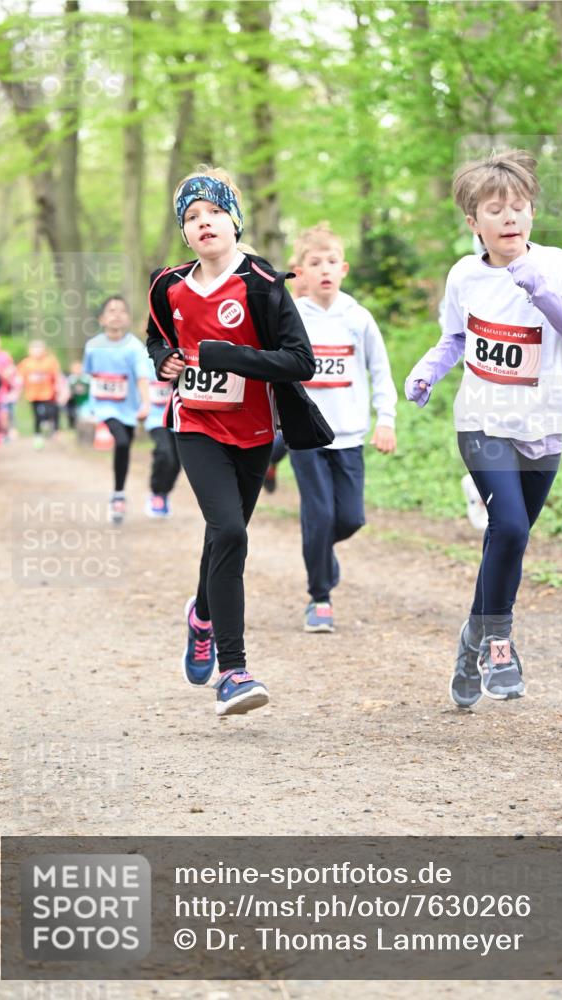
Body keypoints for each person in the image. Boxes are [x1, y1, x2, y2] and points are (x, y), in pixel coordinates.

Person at [405, 148, 562, 708]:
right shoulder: (464, 275)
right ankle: (498, 641)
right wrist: (428, 370)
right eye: (496, 209)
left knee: (506, 541)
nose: (510, 217)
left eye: (518, 206)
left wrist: (539, 287)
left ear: (532, 213)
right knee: (510, 528)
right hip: (480, 421)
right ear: (474, 222)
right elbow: (456, 339)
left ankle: (471, 639)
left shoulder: (558, 267)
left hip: (543, 427)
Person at [146, 165, 324, 717]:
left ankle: (201, 616)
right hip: (195, 424)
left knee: (226, 535)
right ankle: (233, 671)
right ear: (184, 232)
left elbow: (301, 362)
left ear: (235, 221)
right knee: (228, 532)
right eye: (192, 218)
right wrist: (164, 360)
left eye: (215, 213)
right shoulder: (168, 285)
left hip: (252, 432)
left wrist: (230, 356)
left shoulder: (263, 286)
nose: (204, 224)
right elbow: (157, 337)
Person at [289, 222, 398, 633]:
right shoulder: (292, 317)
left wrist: (385, 419)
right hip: (305, 433)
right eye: (314, 263)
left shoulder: (358, 318)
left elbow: (380, 371)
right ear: (300, 273)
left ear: (345, 268)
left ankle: (317, 549)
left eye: (331, 261)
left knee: (349, 517)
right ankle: (320, 597)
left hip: (348, 433)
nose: (324, 269)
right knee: (318, 513)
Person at [83, 296, 151, 523]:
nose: (116, 314)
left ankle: (118, 492)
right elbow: (89, 377)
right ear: (102, 319)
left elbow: (142, 378)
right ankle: (118, 497)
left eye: (122, 311)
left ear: (128, 319)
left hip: (128, 408)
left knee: (124, 447)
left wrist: (145, 403)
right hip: (103, 406)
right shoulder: (92, 346)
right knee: (121, 442)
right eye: (111, 311)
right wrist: (87, 407)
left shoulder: (135, 347)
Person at [262, 256, 308, 494]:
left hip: (317, 384)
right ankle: (268, 458)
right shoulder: (284, 304)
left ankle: (270, 458)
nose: (300, 280)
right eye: (294, 273)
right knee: (291, 429)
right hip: (288, 382)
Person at [144, 355, 180, 518]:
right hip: (156, 417)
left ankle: (164, 493)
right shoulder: (144, 355)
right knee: (165, 453)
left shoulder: (183, 348)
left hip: (178, 417)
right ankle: (156, 493)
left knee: (177, 461)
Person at [17, 340, 61, 448]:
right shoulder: (26, 363)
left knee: (49, 412)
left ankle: (49, 426)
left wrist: (59, 388)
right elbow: (20, 378)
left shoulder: (50, 361)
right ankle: (37, 435)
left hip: (48, 393)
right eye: (34, 350)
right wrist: (17, 391)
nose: (37, 352)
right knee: (37, 415)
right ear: (29, 351)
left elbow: (57, 376)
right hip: (32, 394)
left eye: (39, 349)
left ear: (44, 350)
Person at [65, 359, 91, 430]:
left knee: (85, 416)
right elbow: (68, 390)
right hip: (76, 402)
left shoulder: (87, 378)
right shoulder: (71, 379)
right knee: (77, 416)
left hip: (86, 401)